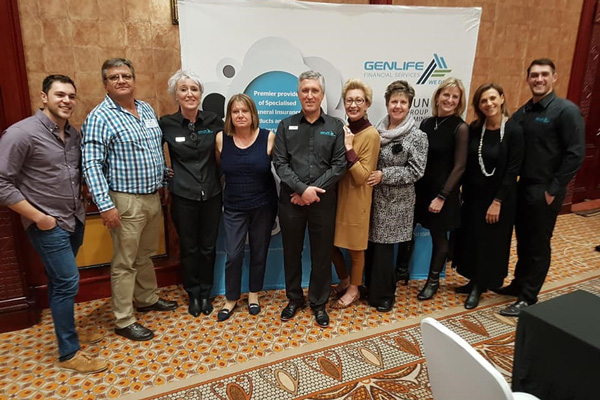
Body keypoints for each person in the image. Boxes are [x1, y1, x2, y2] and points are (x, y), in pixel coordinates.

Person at [0, 75, 108, 373]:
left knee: (61, 282)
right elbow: (2, 182)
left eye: (71, 96)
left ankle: (68, 331)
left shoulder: (73, 135)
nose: (67, 101)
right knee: (67, 282)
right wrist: (39, 217)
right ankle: (69, 353)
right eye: (60, 95)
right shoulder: (21, 134)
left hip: (74, 219)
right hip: (48, 224)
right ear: (44, 97)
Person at [82, 58, 177, 342]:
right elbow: (91, 164)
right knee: (125, 262)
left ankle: (147, 299)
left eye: (126, 76)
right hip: (124, 200)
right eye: (114, 77)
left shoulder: (146, 109)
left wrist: (164, 180)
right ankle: (124, 320)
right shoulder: (99, 117)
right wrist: (105, 205)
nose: (121, 81)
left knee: (144, 254)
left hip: (152, 196)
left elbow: (155, 150)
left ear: (134, 80)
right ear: (105, 84)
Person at [497, 58, 585, 316]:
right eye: (534, 75)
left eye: (544, 74)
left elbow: (575, 154)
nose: (539, 79)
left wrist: (553, 189)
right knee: (523, 240)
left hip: (545, 190)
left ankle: (528, 297)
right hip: (523, 187)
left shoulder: (566, 111)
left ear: (554, 78)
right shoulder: (524, 111)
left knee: (538, 244)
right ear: (527, 79)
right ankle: (518, 284)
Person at [273, 71, 346, 327]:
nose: (310, 95)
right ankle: (294, 299)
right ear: (298, 94)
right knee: (292, 252)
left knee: (322, 254)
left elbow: (339, 165)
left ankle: (318, 303)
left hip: (323, 203)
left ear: (322, 94)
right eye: (305, 90)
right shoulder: (285, 125)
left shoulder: (335, 126)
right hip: (291, 202)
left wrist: (310, 192)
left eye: (315, 90)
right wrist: (302, 189)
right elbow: (280, 163)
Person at [452, 83, 524, 309]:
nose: (489, 104)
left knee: (489, 242)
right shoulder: (475, 129)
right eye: (483, 100)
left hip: (498, 199)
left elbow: (513, 170)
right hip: (474, 197)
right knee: (472, 239)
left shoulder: (514, 131)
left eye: (492, 98)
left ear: (501, 99)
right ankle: (472, 279)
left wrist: (498, 201)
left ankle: (479, 286)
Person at [159, 70, 222, 318]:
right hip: (183, 196)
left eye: (194, 89)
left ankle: (206, 293)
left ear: (200, 94)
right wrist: (164, 173)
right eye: (183, 89)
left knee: (208, 247)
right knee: (189, 248)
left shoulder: (213, 121)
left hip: (212, 194)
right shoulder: (166, 123)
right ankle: (193, 294)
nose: (189, 94)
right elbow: (152, 153)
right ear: (176, 94)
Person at [365, 80, 428, 312]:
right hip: (372, 199)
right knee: (372, 247)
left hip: (395, 202)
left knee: (384, 250)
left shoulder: (417, 136)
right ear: (387, 104)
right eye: (394, 101)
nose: (398, 106)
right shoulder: (377, 131)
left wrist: (385, 175)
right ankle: (371, 289)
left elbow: (416, 171)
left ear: (409, 105)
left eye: (403, 102)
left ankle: (384, 295)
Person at [215, 94, 278, 321]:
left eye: (245, 111)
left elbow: (282, 167)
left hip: (263, 206)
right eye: (235, 111)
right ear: (229, 116)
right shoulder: (221, 139)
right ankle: (231, 298)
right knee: (233, 254)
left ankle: (253, 294)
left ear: (253, 114)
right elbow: (220, 168)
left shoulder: (268, 137)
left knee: (259, 252)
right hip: (234, 206)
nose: (240, 115)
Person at [414, 77, 469, 301]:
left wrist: (442, 196)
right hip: (422, 189)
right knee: (407, 232)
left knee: (439, 238)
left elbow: (460, 167)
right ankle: (401, 272)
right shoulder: (426, 123)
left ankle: (433, 281)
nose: (449, 100)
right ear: (437, 96)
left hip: (443, 193)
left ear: (459, 101)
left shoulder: (460, 128)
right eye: (446, 94)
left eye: (455, 97)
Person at [330, 79, 380, 308]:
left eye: (359, 100)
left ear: (367, 104)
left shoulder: (371, 135)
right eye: (349, 100)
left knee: (355, 249)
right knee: (329, 243)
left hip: (357, 198)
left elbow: (362, 176)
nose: (353, 105)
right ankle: (345, 279)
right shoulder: (344, 129)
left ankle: (354, 289)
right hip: (337, 196)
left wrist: (349, 148)